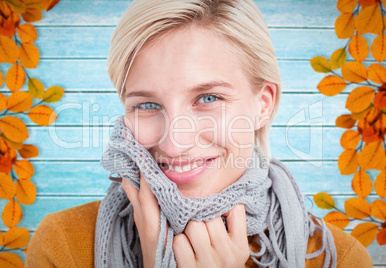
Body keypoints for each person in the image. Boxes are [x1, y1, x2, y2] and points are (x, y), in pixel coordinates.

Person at [25, 0, 373, 267]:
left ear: (263, 104)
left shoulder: (337, 258)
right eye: (147, 104)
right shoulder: (65, 245)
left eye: (208, 98)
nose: (174, 142)